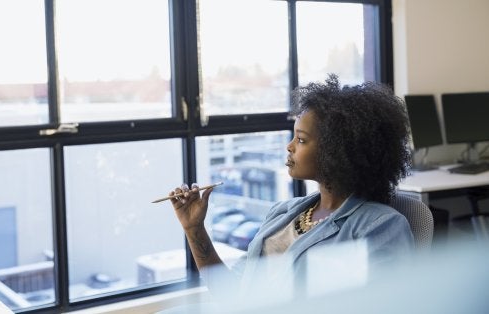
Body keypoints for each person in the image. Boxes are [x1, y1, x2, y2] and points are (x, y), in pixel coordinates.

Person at [168, 74, 415, 300]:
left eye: (301, 139)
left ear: (338, 150)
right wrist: (194, 229)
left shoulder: (379, 225)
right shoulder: (282, 213)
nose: (289, 146)